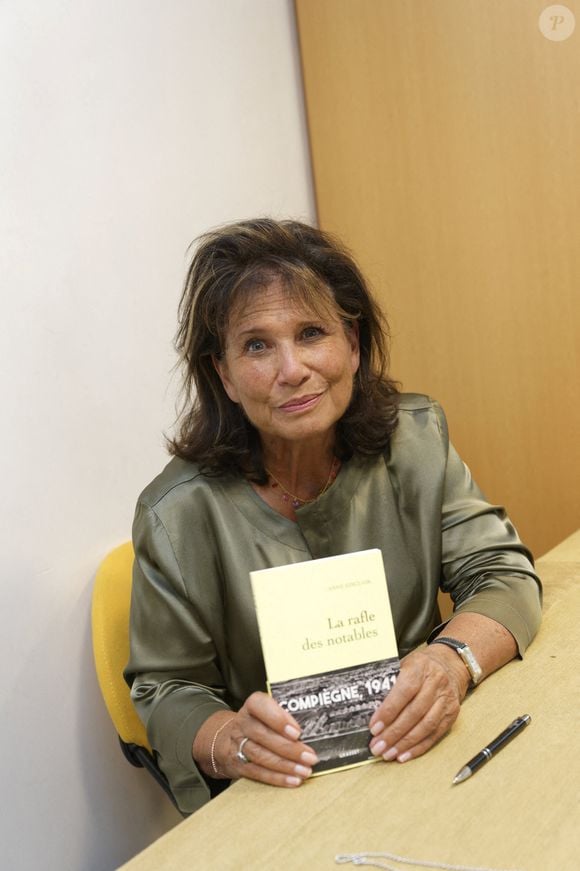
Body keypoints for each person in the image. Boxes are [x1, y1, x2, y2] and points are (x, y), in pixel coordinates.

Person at [125, 218, 542, 815]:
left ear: (351, 343)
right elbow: (167, 689)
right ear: (224, 375)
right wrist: (229, 739)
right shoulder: (177, 515)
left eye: (311, 332)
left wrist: (450, 663)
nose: (291, 369)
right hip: (286, 792)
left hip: (425, 752)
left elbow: (501, 572)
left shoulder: (414, 441)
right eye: (257, 345)